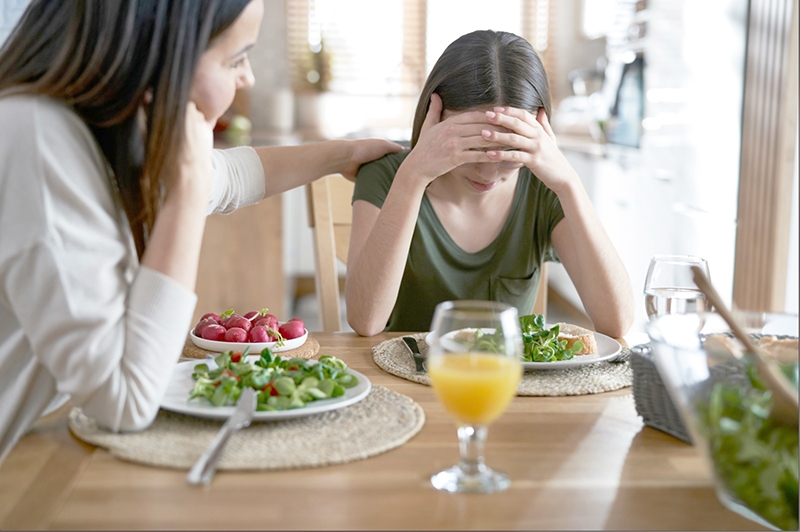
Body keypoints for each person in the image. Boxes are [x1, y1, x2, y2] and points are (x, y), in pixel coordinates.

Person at [0, 0, 401, 463]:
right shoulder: (39, 144)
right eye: (235, 59)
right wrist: (186, 200)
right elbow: (125, 402)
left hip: (39, 433)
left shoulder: (90, 124)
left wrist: (342, 155)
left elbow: (228, 175)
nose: (247, 77)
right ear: (164, 51)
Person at [346, 30, 634, 337]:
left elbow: (616, 322)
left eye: (509, 151)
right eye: (472, 147)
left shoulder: (545, 189)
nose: (488, 171)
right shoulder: (389, 176)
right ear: (436, 119)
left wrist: (569, 184)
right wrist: (412, 177)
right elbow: (366, 321)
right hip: (404, 380)